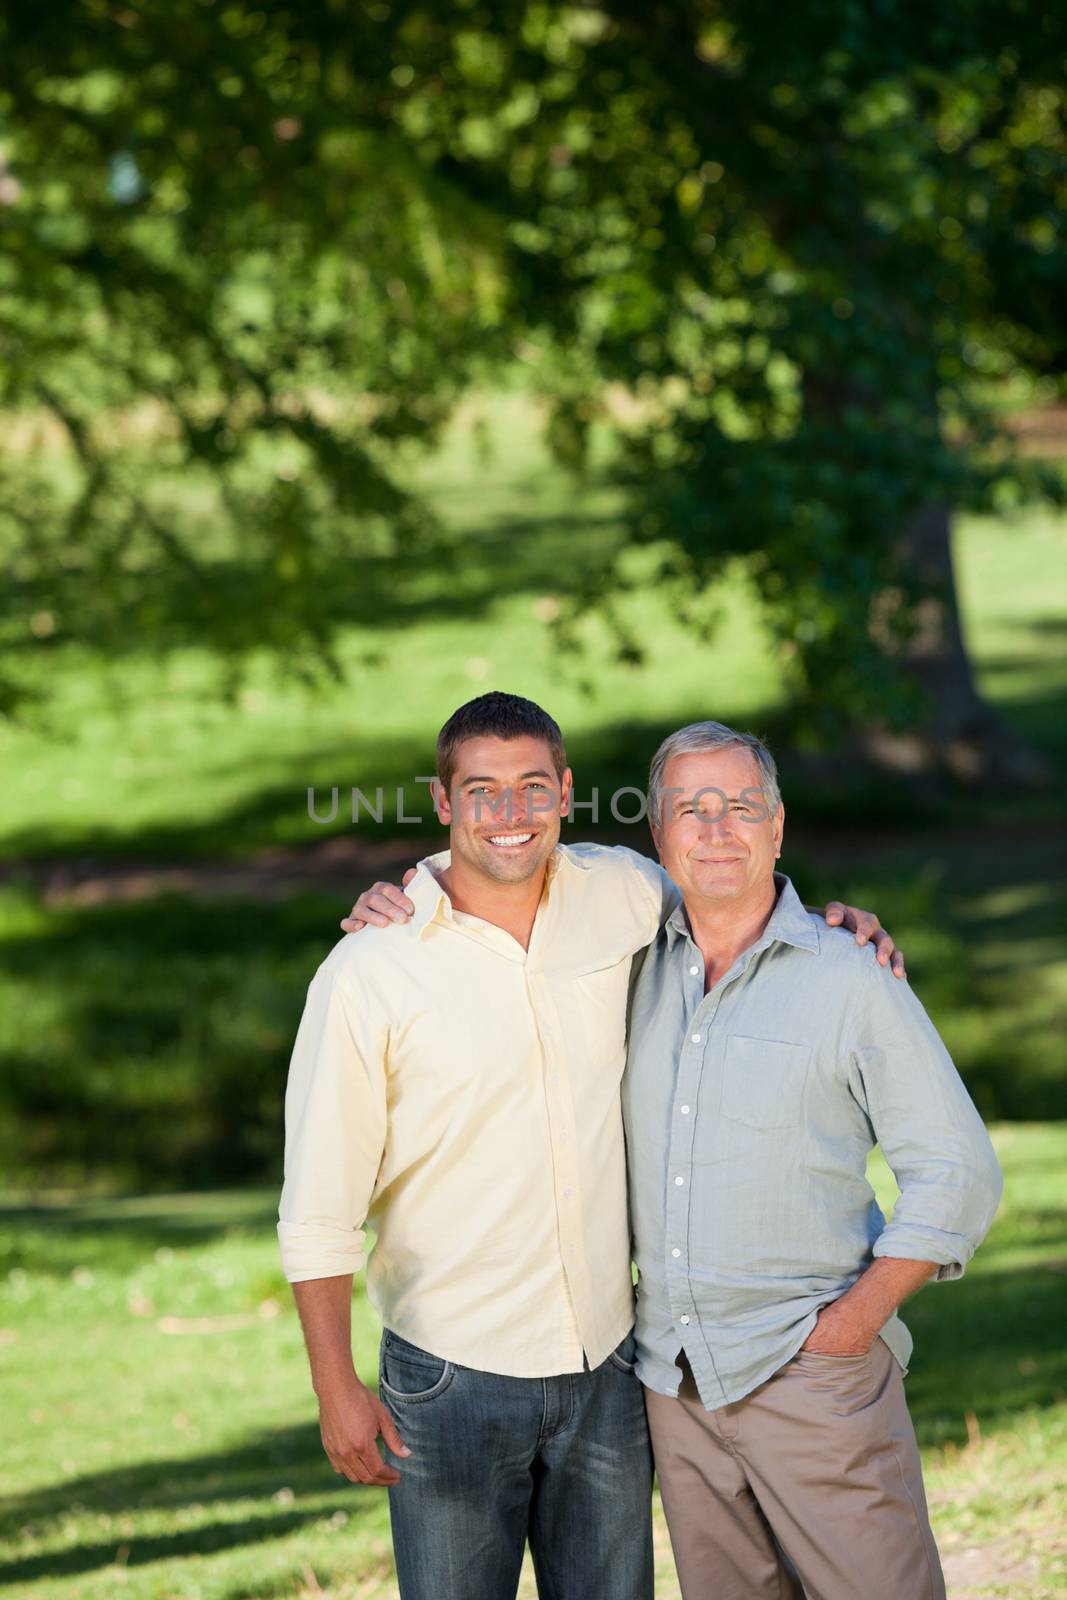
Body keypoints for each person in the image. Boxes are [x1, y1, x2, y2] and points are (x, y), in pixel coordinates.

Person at [282, 692, 900, 1600]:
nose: (509, 814)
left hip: (606, 1366)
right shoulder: (370, 971)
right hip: (448, 1374)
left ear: (566, 793)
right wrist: (336, 1388)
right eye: (481, 791)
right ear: (443, 802)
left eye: (533, 787)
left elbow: (732, 893)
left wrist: (835, 928)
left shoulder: (622, 892)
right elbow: (318, 1209)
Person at [625, 721, 1003, 1600]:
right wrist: (402, 891)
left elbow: (959, 1171)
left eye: (740, 807)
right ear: (658, 833)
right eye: (691, 808)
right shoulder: (626, 966)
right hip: (673, 1384)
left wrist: (848, 1327)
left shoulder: (850, 975)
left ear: (778, 827)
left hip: (813, 1374)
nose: (716, 829)